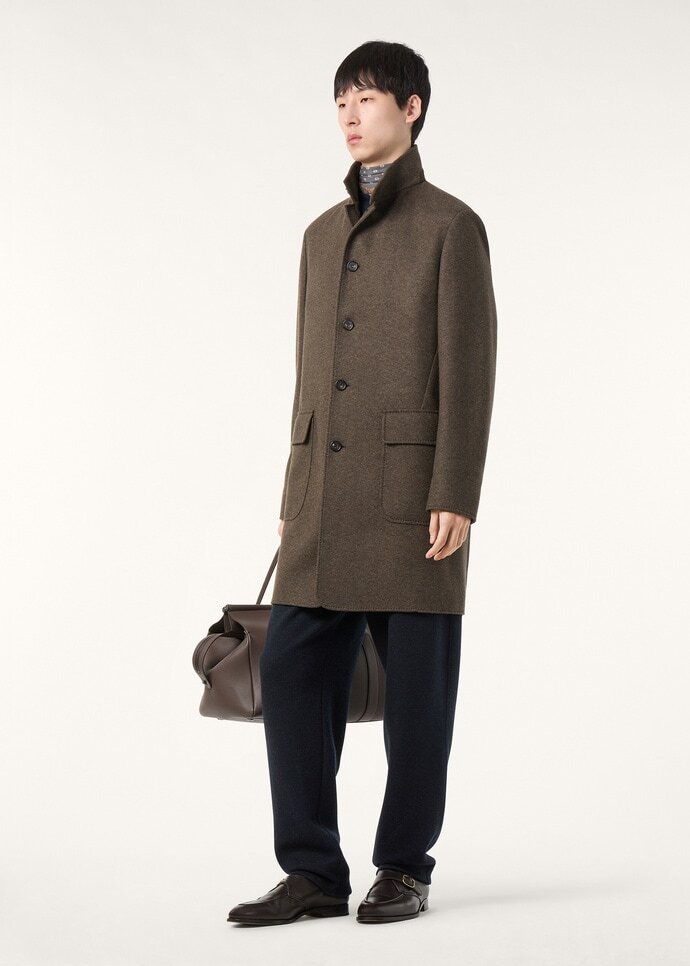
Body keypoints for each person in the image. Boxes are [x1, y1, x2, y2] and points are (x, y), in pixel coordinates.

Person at [227, 39, 498, 927]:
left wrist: (455, 488)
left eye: (368, 98)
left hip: (414, 497)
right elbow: (309, 376)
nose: (349, 114)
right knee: (294, 679)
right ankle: (312, 871)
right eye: (341, 99)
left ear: (412, 108)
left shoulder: (451, 226)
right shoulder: (319, 235)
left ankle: (404, 866)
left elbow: (470, 370)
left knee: (417, 699)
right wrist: (294, 489)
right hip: (323, 497)